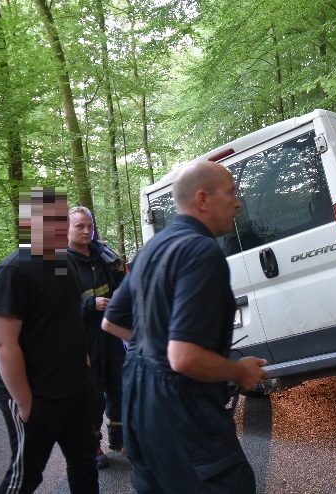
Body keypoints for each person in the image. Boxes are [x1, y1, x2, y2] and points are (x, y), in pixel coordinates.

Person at [102, 161, 268, 493]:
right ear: (203, 199)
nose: (237, 202)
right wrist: (238, 371)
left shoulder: (152, 248)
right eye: (231, 192)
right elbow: (184, 358)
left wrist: (156, 354)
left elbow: (113, 322)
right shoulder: (202, 252)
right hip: (184, 420)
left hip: (139, 411)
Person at [0, 187, 98, 494]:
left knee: (84, 461)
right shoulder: (13, 269)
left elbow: (69, 317)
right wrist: (24, 402)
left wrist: (84, 366)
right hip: (36, 393)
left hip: (74, 387)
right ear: (29, 224)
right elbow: (3, 343)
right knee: (26, 475)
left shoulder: (62, 263)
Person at [67, 206, 126, 468]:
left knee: (119, 388)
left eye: (89, 225)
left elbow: (123, 285)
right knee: (91, 398)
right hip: (82, 341)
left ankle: (121, 440)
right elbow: (57, 305)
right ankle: (94, 447)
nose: (86, 231)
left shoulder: (103, 256)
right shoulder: (60, 263)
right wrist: (89, 305)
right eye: (79, 226)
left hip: (111, 335)